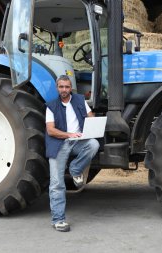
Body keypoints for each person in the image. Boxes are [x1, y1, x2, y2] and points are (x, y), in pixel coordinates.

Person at [45, 75, 100, 232]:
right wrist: (69, 134)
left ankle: (75, 169)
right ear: (57, 88)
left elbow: (91, 118)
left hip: (78, 142)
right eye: (61, 87)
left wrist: (91, 124)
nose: (64, 90)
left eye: (67, 87)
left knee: (93, 144)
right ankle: (58, 219)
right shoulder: (51, 106)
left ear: (71, 88)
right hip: (59, 144)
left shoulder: (79, 100)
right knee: (57, 183)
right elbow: (51, 130)